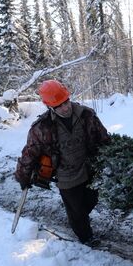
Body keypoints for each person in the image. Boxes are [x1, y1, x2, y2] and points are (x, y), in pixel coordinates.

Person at [15, 79, 110, 246]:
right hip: (66, 175)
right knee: (77, 211)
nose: (65, 108)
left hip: (89, 169)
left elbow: (104, 138)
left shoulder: (86, 115)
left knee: (91, 200)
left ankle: (77, 219)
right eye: (59, 106)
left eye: (66, 102)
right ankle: (86, 238)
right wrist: (23, 175)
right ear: (50, 107)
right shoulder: (42, 127)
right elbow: (30, 152)